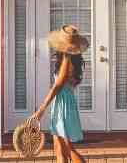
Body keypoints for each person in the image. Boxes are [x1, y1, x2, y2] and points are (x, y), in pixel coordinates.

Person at [33, 24, 88, 163]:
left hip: (62, 105)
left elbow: (57, 86)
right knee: (59, 148)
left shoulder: (66, 60)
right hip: (64, 103)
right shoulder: (71, 59)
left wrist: (41, 109)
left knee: (67, 148)